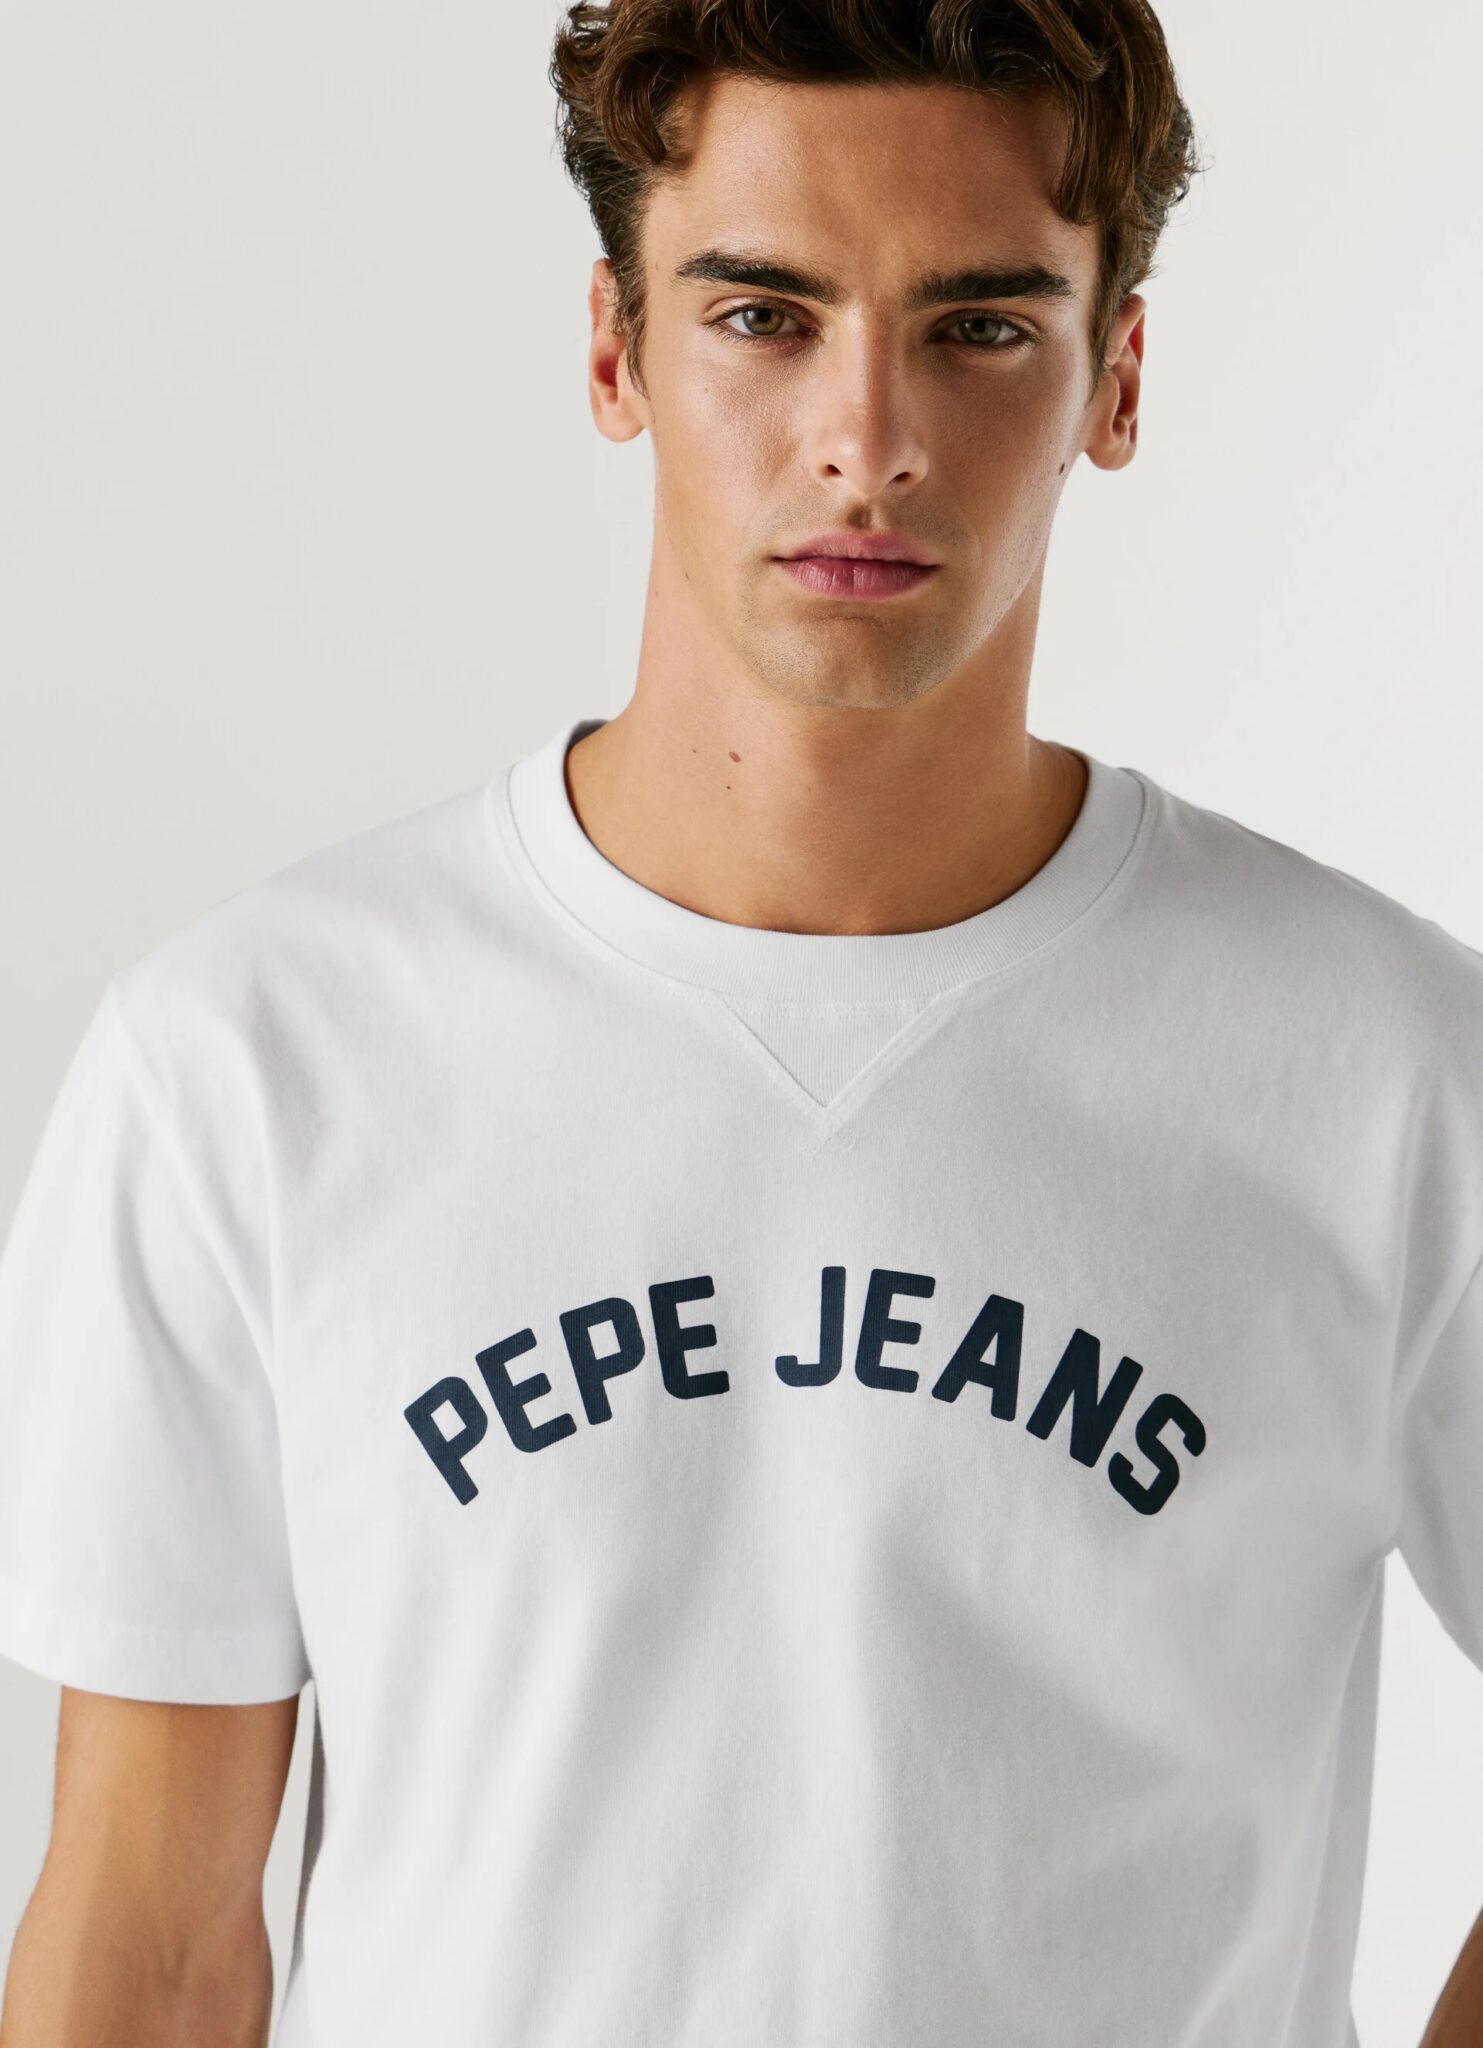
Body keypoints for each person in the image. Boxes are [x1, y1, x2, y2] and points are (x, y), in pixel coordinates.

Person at [0, 1, 1480, 2043]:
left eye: (980, 326)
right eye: (764, 316)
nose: (866, 436)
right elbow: (152, 1943)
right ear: (616, 350)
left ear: (1115, 377)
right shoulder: (252, 1062)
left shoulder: (1387, 1069)